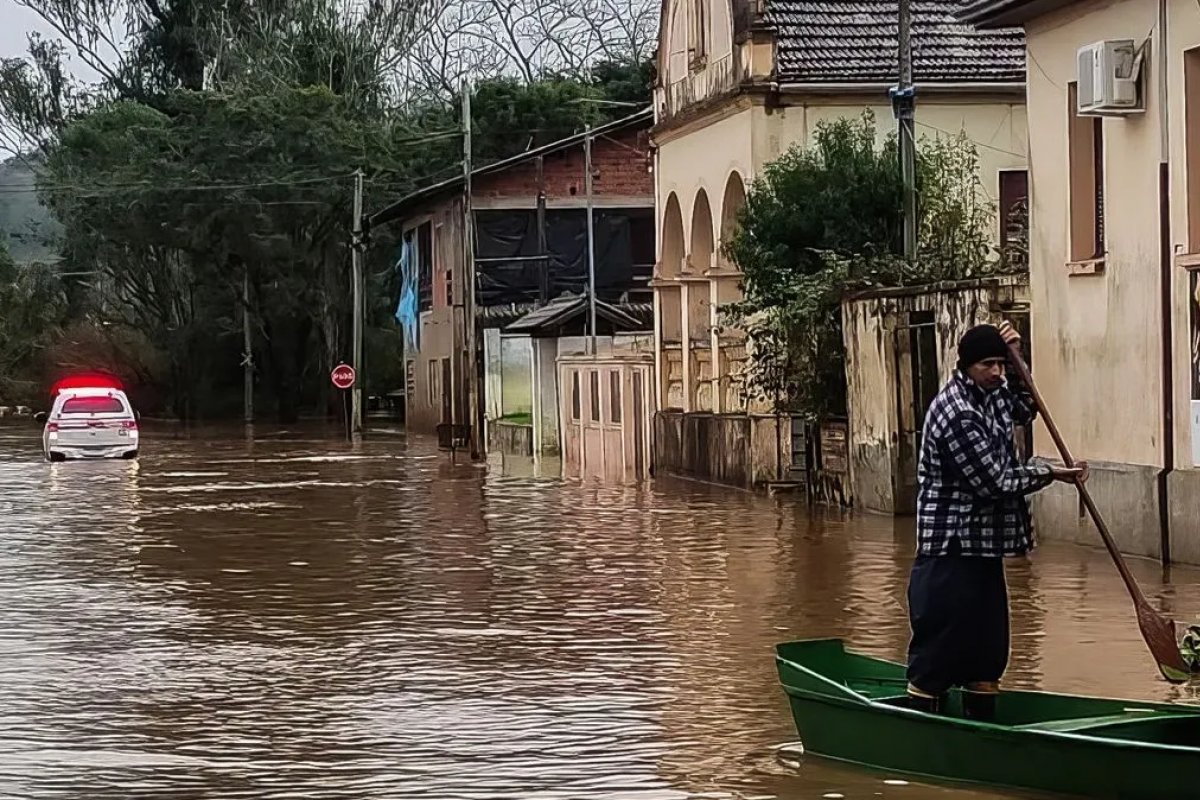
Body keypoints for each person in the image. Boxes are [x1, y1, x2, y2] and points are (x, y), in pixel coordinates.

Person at [905, 321, 1088, 720]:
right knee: (939, 650)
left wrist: (1019, 357)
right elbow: (993, 481)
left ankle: (982, 724)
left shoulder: (996, 392)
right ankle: (921, 725)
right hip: (950, 548)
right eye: (989, 365)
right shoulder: (957, 412)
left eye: (1000, 365)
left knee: (988, 651)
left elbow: (1027, 407)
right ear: (967, 366)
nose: (997, 373)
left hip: (985, 546)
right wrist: (1051, 473)